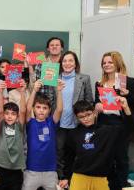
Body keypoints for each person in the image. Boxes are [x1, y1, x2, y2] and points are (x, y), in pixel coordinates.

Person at [94, 51, 134, 190]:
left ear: (118, 63)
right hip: (104, 124)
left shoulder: (129, 82)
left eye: (110, 62)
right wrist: (97, 106)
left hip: (122, 125)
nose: (106, 65)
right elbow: (96, 103)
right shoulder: (100, 83)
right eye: (104, 63)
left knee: (121, 159)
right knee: (106, 159)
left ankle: (122, 185)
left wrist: (127, 93)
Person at [59, 99, 134, 190]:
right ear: (77, 117)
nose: (86, 119)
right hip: (79, 176)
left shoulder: (107, 131)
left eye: (88, 114)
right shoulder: (73, 134)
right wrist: (66, 177)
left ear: (94, 113)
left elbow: (131, 126)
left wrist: (126, 107)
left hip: (101, 177)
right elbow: (68, 158)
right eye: (81, 117)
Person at [56, 51, 93, 180]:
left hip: (77, 124)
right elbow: (49, 100)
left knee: (77, 153)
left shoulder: (84, 78)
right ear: (61, 63)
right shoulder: (53, 78)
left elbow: (89, 101)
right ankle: (61, 179)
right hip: (58, 123)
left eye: (70, 60)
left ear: (75, 63)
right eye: (64, 61)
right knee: (59, 152)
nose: (67, 63)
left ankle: (74, 180)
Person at [23, 79, 64, 190]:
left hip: (50, 171)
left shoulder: (51, 122)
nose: (41, 110)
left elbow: (59, 110)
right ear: (34, 109)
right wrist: (34, 90)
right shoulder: (30, 122)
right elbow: (27, 108)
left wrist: (59, 91)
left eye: (45, 108)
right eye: (38, 107)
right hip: (32, 170)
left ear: (49, 110)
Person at [0, 79, 27, 190]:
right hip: (0, 166)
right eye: (7, 113)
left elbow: (22, 111)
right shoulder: (2, 124)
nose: (9, 116)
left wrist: (22, 92)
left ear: (17, 117)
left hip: (16, 169)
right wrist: (0, 91)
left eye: (13, 114)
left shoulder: (19, 127)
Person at [30, 37, 65, 111]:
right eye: (51, 45)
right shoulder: (41, 64)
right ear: (48, 49)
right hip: (44, 106)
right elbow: (33, 84)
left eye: (57, 45)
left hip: (63, 103)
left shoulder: (66, 64)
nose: (54, 47)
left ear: (62, 48)